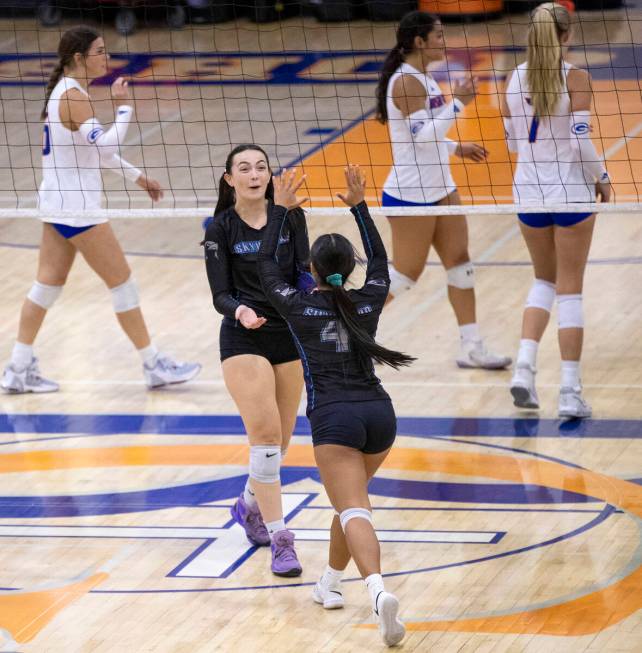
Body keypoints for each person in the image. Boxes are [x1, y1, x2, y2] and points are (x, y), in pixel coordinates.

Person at [257, 165, 413, 647]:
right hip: (379, 415)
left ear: (313, 271)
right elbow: (383, 263)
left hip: (334, 418)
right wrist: (360, 205)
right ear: (351, 267)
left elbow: (266, 268)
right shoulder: (369, 299)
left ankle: (378, 591)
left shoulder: (299, 307)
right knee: (352, 504)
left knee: (353, 510)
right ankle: (330, 581)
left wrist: (281, 211)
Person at [1, 25, 201, 394]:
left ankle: (17, 367)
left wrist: (138, 177)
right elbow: (106, 145)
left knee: (46, 286)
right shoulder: (75, 98)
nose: (106, 58)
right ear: (79, 58)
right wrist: (124, 107)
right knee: (123, 283)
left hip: (56, 205)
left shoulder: (65, 93)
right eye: (100, 51)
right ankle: (152, 363)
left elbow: (92, 153)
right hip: (77, 210)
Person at [375, 10, 511, 370]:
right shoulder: (405, 82)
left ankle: (471, 345)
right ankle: (348, 331)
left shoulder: (426, 77)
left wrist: (455, 147)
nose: (444, 41)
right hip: (410, 194)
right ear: (419, 42)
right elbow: (420, 137)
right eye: (438, 36)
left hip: (441, 187)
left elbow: (427, 131)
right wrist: (459, 104)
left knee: (460, 265)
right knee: (404, 276)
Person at [202, 144, 314, 577]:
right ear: (230, 179)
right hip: (243, 337)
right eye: (244, 168)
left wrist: (318, 293)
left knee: (281, 443)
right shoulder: (220, 228)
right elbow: (220, 294)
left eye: (261, 167)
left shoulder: (292, 216)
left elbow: (301, 271)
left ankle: (247, 504)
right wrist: (240, 311)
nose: (254, 174)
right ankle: (281, 539)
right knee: (266, 438)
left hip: (287, 336)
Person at [502, 2, 611, 418]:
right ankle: (569, 391)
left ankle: (524, 369)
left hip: (528, 194)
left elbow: (513, 144)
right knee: (570, 288)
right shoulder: (577, 78)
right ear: (566, 35)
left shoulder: (513, 79)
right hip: (570, 193)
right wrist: (602, 176)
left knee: (543, 281)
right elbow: (581, 144)